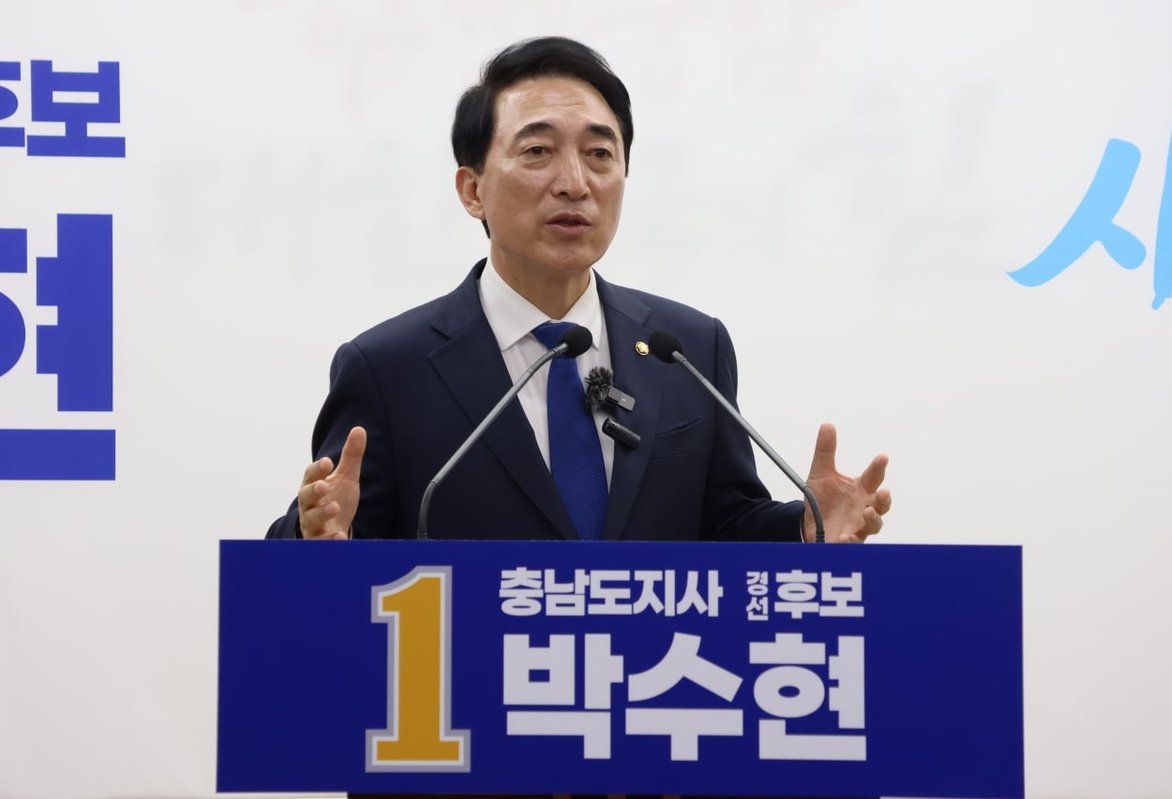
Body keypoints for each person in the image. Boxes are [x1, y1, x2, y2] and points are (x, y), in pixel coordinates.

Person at [267, 36, 890, 546]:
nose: (574, 182)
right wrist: (313, 538)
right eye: (538, 150)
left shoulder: (687, 349)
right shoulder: (388, 369)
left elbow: (723, 528)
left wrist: (804, 528)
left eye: (599, 154)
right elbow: (334, 538)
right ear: (472, 190)